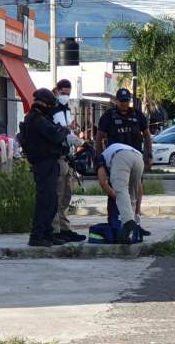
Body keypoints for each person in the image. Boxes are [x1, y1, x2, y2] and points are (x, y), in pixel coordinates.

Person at [96, 88, 153, 235]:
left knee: (136, 191)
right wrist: (98, 158)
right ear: (116, 101)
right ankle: (115, 222)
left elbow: (147, 136)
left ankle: (135, 223)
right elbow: (99, 137)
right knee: (117, 190)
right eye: (121, 101)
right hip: (116, 159)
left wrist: (149, 155)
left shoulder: (137, 115)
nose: (124, 104)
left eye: (127, 101)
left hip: (135, 157)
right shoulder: (108, 116)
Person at [22, 88, 75, 247]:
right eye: (50, 104)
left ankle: (47, 234)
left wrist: (61, 131)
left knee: (51, 201)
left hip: (49, 163)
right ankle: (37, 236)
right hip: (43, 164)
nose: (52, 108)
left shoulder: (41, 118)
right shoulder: (37, 119)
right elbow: (56, 135)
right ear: (44, 103)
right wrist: (64, 130)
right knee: (45, 201)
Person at [50, 79, 85, 243]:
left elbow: (69, 131)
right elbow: (62, 133)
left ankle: (65, 228)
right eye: (63, 93)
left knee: (66, 195)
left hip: (67, 157)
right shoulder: (53, 110)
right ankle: (56, 229)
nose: (65, 96)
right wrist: (82, 143)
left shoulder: (66, 110)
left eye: (68, 94)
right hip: (58, 156)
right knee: (58, 195)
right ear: (56, 91)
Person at [95, 143, 145, 242]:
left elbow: (103, 183)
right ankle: (132, 231)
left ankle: (128, 223)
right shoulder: (117, 148)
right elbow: (139, 189)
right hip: (139, 157)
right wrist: (137, 211)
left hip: (121, 157)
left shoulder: (102, 157)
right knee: (132, 193)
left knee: (121, 189)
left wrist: (116, 197)